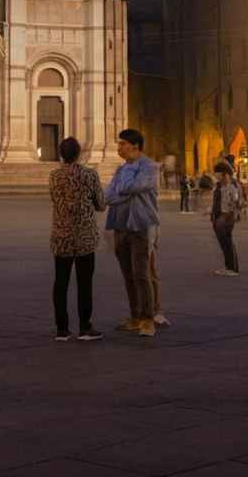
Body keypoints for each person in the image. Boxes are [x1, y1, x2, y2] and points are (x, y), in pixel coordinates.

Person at [104, 128, 160, 338]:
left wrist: (124, 182)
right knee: (128, 275)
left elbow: (130, 188)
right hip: (120, 225)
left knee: (141, 274)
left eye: (122, 144)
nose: (118, 147)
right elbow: (110, 196)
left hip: (140, 225)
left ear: (134, 146)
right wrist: (119, 192)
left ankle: (148, 319)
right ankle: (135, 316)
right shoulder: (121, 170)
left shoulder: (150, 168)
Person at [47, 137, 105, 341]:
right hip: (84, 237)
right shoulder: (90, 175)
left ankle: (61, 329)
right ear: (79, 153)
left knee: (60, 282)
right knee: (84, 282)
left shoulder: (54, 176)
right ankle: (84, 327)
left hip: (62, 235)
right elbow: (100, 204)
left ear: (61, 154)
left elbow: (54, 199)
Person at [211, 161, 241, 276]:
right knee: (224, 243)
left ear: (224, 174)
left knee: (227, 242)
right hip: (219, 216)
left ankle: (232, 268)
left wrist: (226, 217)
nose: (215, 175)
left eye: (217, 173)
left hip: (225, 217)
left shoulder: (231, 186)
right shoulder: (220, 186)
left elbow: (235, 203)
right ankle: (229, 267)